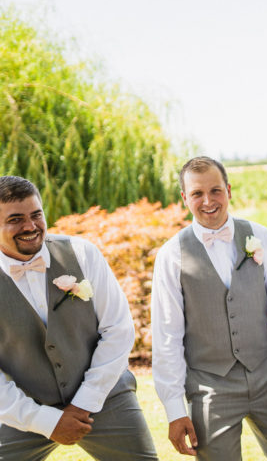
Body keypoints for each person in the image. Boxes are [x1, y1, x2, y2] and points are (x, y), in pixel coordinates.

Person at [151, 156, 267, 460]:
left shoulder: (260, 237)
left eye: (215, 190)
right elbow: (167, 336)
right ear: (184, 198)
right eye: (197, 194)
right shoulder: (171, 255)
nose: (208, 201)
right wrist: (175, 410)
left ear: (228, 190)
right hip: (210, 390)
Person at [0, 176, 157, 460]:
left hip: (105, 397)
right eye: (15, 219)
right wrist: (46, 421)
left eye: (36, 215)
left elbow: (118, 329)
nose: (30, 226)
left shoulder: (82, 253)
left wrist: (84, 403)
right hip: (24, 409)